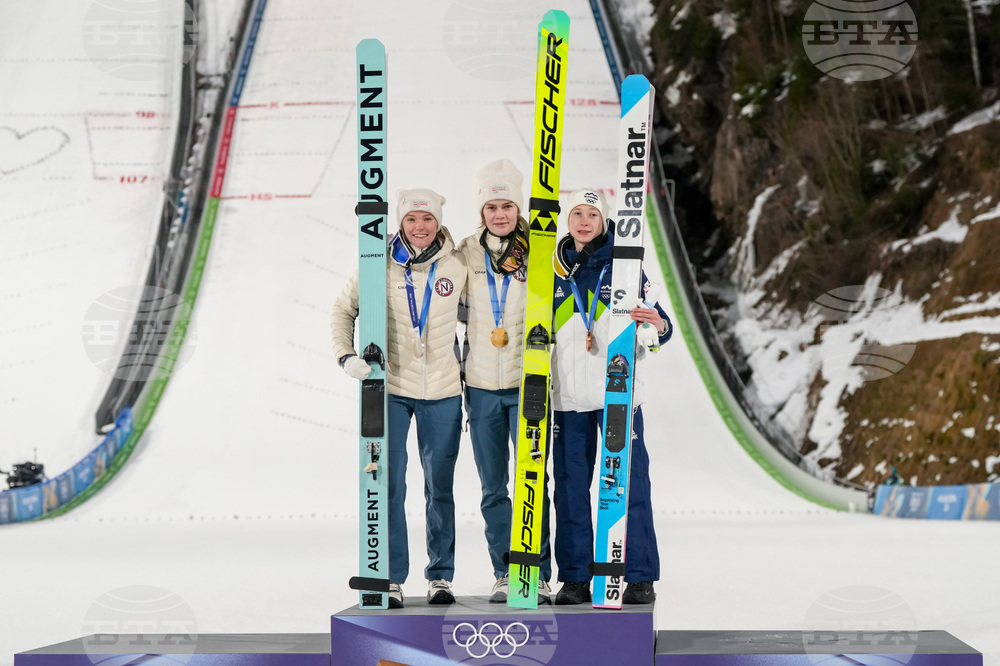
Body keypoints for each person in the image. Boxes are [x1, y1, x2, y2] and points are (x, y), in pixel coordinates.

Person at [331, 188, 467, 608]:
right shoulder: (377, 264)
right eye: (411, 219)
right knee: (387, 483)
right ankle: (390, 576)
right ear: (400, 224)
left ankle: (440, 576)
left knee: (438, 486)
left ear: (438, 222)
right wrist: (345, 355)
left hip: (443, 390)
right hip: (391, 389)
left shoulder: (459, 264)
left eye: (427, 219)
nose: (420, 227)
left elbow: (480, 312)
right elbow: (342, 310)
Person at [549, 188, 673, 605]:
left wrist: (657, 324)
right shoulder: (551, 269)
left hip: (617, 394)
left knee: (630, 481)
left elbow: (662, 326)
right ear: (568, 220)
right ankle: (575, 577)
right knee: (569, 486)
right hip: (567, 398)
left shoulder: (627, 266)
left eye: (592, 215)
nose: (584, 222)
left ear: (604, 222)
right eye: (577, 214)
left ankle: (637, 574)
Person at [457, 158, 552, 604]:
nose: (500, 214)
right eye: (492, 206)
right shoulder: (466, 252)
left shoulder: (540, 250)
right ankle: (503, 571)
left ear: (519, 209)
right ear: (481, 211)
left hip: (525, 382)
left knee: (534, 479)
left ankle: (537, 571)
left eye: (507, 206)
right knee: (493, 487)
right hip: (479, 388)